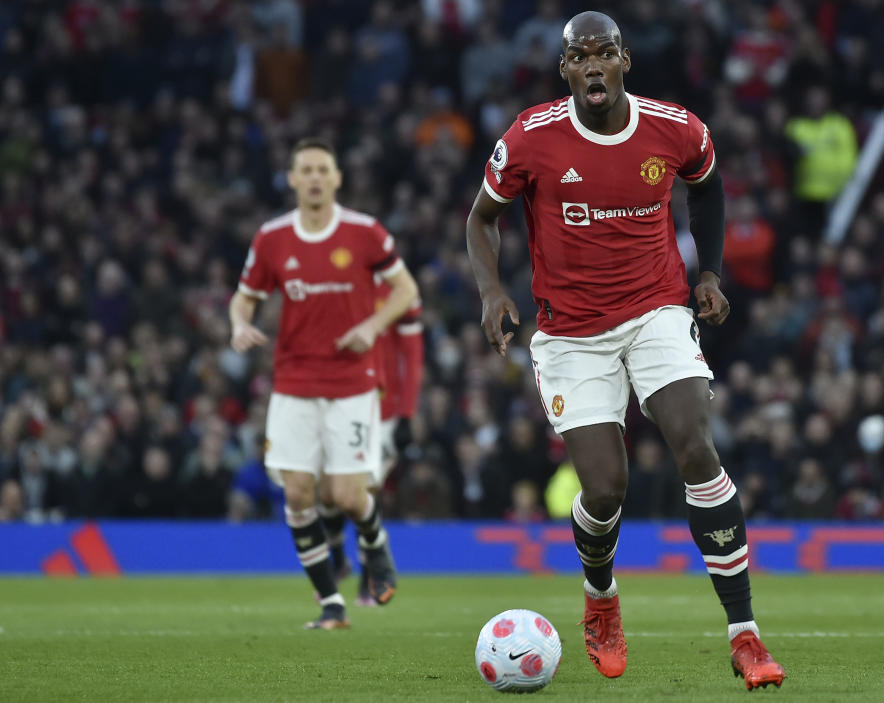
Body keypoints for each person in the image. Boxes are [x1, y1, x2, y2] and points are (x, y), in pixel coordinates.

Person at [465, 11, 785, 690]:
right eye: (579, 57)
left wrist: (708, 274)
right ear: (565, 70)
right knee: (606, 488)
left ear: (624, 60)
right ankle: (601, 595)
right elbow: (480, 218)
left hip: (655, 313)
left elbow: (708, 185)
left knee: (697, 446)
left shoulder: (675, 127)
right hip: (571, 333)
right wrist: (492, 291)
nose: (592, 67)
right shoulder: (531, 137)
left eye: (603, 54)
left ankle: (745, 635)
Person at [229, 137, 419, 630]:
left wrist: (373, 327)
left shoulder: (365, 233)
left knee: (346, 497)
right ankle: (331, 606)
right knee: (297, 494)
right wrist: (238, 324)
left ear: (337, 178)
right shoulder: (271, 238)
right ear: (292, 179)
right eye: (305, 170)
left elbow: (406, 290)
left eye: (322, 170)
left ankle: (376, 546)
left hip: (353, 383)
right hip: (293, 382)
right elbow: (244, 297)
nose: (314, 178)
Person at [321, 287, 425, 606]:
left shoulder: (400, 291)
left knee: (364, 492)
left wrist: (407, 415)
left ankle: (369, 573)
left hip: (384, 413)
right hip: (340, 403)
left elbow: (412, 352)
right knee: (329, 493)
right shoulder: (335, 285)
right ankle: (338, 557)